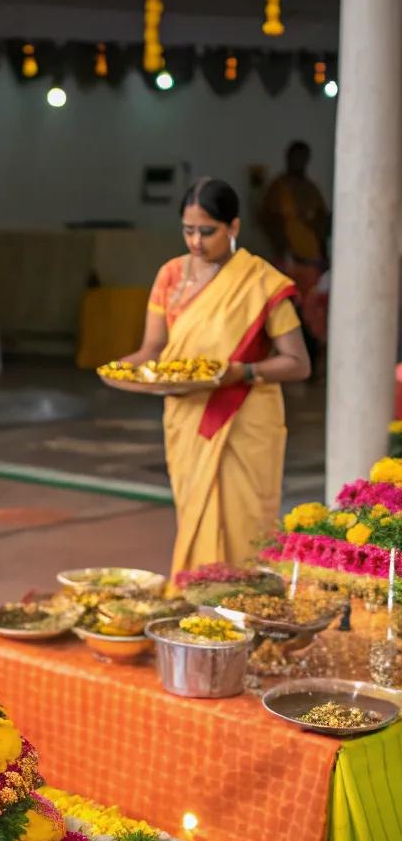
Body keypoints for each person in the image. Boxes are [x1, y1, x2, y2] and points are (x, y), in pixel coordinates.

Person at [120, 177, 311, 579]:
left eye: (207, 231)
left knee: (246, 521)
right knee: (196, 511)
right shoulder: (170, 275)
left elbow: (297, 363)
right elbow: (152, 348)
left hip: (243, 415)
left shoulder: (260, 281)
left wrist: (242, 372)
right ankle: (197, 605)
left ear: (234, 227)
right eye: (187, 230)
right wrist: (125, 369)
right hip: (187, 416)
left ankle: (248, 608)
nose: (195, 241)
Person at [259, 141, 329, 355]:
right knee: (286, 309)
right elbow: (269, 220)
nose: (299, 162)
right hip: (288, 261)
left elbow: (322, 221)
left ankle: (311, 359)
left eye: (303, 158)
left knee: (313, 311)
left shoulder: (310, 188)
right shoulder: (278, 188)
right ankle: (288, 358)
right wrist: (283, 251)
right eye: (295, 157)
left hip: (312, 261)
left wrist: (323, 254)